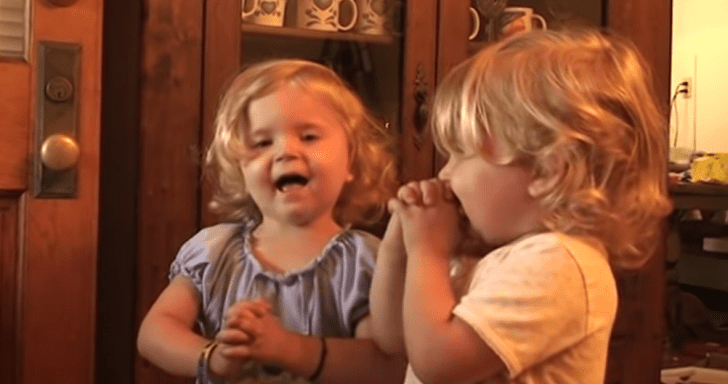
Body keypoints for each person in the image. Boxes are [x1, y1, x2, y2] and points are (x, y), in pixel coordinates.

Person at [370, 29, 673, 384]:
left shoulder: (560, 264)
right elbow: (393, 337)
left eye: (461, 155)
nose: (445, 173)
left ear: (548, 171)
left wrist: (427, 252)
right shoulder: (492, 257)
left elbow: (438, 364)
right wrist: (398, 248)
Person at [137, 59, 405, 384]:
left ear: (352, 159)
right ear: (239, 169)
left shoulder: (365, 263)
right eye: (263, 143)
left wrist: (289, 349)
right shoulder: (214, 251)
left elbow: (383, 366)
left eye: (308, 136)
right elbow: (155, 332)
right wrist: (214, 358)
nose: (285, 152)